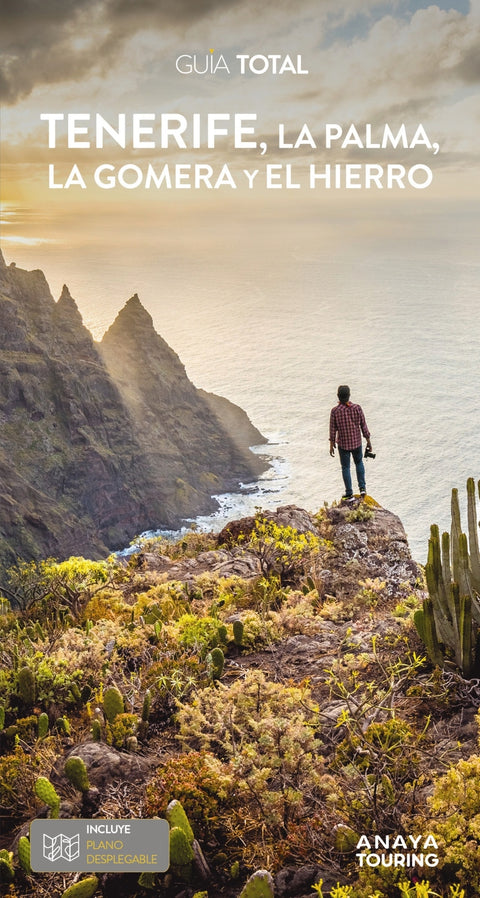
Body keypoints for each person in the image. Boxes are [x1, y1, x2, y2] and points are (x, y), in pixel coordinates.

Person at [329, 385, 373, 500]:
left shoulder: (335, 411)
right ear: (349, 395)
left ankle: (349, 493)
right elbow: (364, 426)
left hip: (343, 444)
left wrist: (331, 444)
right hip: (356, 443)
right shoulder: (357, 408)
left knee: (345, 467)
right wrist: (368, 441)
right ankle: (362, 488)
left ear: (338, 396)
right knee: (359, 463)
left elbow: (332, 429)